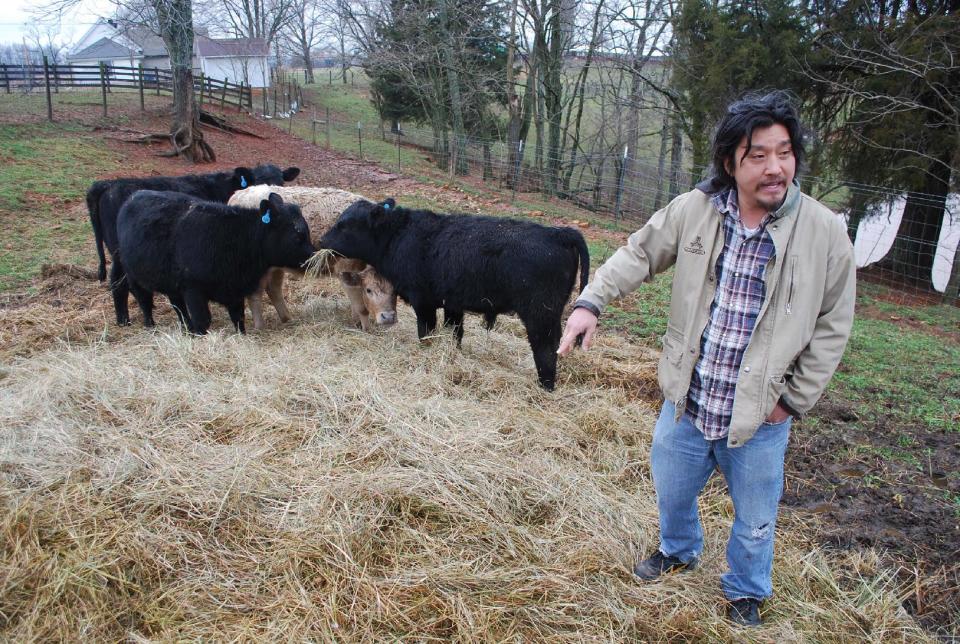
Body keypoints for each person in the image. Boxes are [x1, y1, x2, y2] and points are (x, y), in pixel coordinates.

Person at [557, 90, 856, 627]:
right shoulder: (695, 210)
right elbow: (640, 253)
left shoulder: (824, 232)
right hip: (687, 401)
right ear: (729, 162)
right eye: (758, 155)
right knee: (672, 492)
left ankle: (745, 589)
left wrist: (790, 402)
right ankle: (678, 550)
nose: (775, 168)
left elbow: (834, 325)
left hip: (761, 416)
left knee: (756, 519)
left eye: (784, 153)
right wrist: (590, 301)